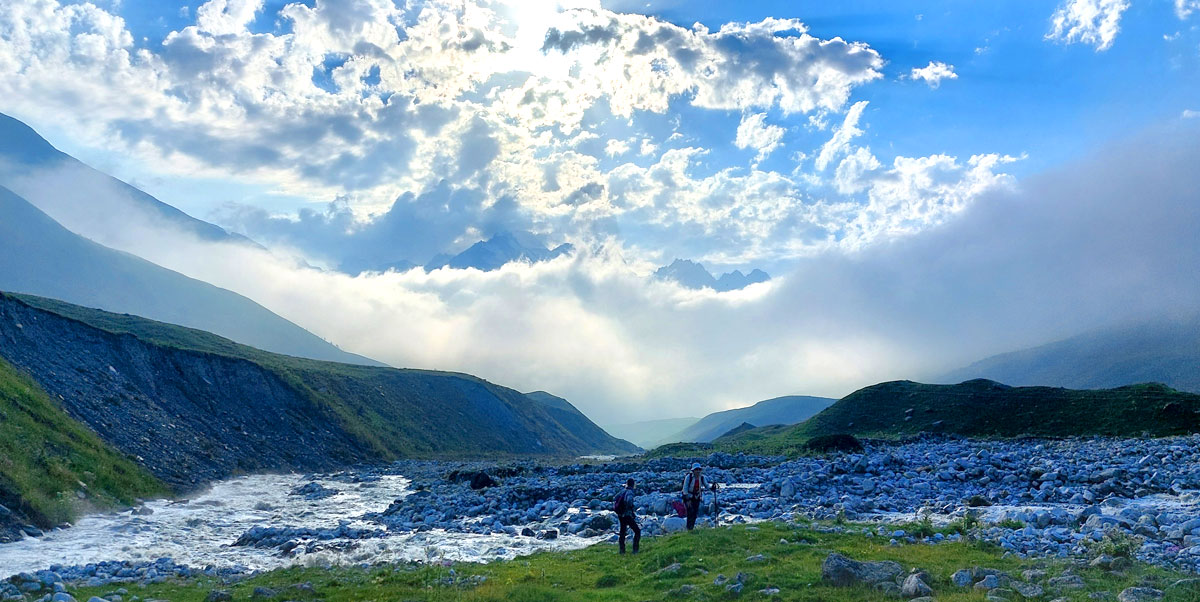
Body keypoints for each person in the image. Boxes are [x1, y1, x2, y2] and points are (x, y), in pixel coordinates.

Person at [614, 478, 640, 554]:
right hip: (626, 515)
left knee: (622, 532)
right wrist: (631, 509)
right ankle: (635, 550)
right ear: (633, 484)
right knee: (637, 531)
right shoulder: (630, 492)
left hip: (620, 514)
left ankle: (622, 551)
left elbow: (615, 498)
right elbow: (629, 501)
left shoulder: (622, 491)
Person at [681, 463, 709, 530]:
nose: (698, 471)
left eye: (699, 469)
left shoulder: (702, 478)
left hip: (697, 497)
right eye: (696, 469)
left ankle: (691, 528)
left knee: (695, 513)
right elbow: (685, 489)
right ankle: (689, 528)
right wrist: (688, 499)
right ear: (693, 470)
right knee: (690, 512)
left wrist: (712, 487)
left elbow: (707, 486)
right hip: (688, 497)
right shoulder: (688, 477)